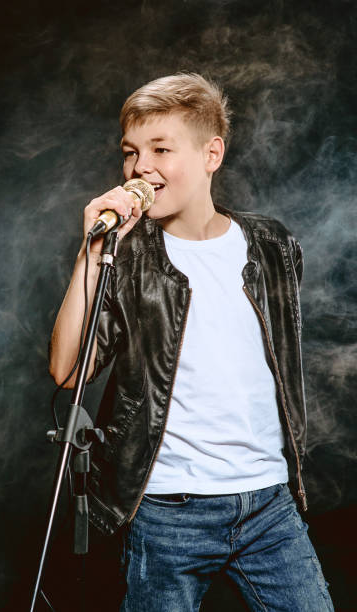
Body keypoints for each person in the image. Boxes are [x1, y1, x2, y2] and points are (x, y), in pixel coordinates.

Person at [49, 73, 334, 611]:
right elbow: (67, 371)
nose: (141, 168)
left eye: (162, 149)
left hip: (268, 503)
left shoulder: (273, 246)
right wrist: (90, 253)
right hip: (166, 511)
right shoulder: (126, 257)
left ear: (212, 154)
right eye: (131, 152)